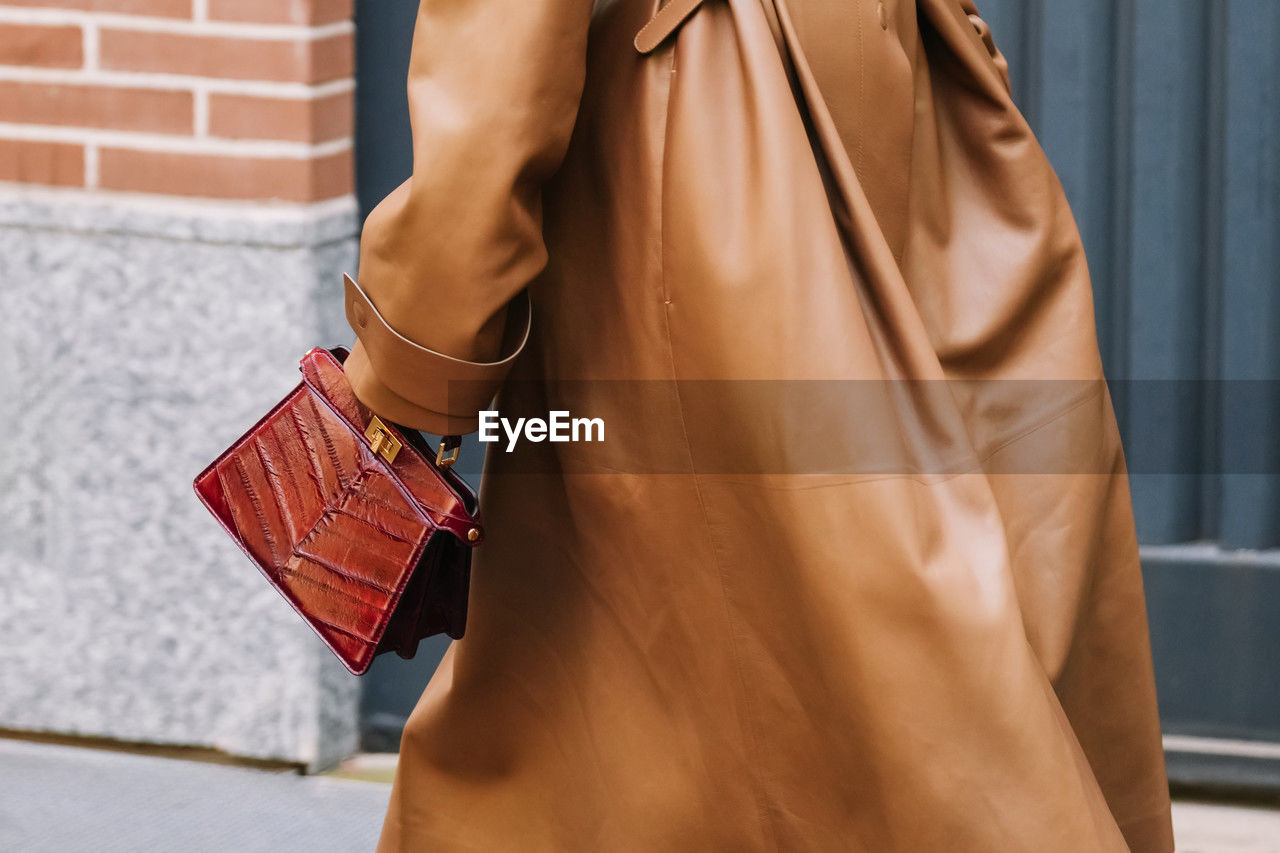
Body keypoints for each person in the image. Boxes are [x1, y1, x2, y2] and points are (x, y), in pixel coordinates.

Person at [343, 0, 1175, 849]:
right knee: (882, 683)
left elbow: (499, 74)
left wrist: (412, 370)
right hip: (881, 124)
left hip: (689, 204)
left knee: (669, 718)